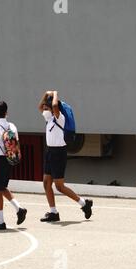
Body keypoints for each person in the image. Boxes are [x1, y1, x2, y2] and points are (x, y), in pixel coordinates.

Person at [38, 91, 93, 222]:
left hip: (59, 153)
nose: (44, 109)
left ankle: (84, 204)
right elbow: (40, 106)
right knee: (46, 183)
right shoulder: (49, 118)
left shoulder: (59, 117)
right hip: (50, 152)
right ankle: (53, 212)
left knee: (59, 186)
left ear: (52, 108)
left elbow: (56, 106)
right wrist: (45, 95)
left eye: (47, 107)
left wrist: (55, 94)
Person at [0, 101, 27, 230]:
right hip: (9, 159)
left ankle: (0, 221)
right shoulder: (12, 126)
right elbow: (17, 145)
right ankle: (19, 208)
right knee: (2, 187)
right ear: (6, 112)